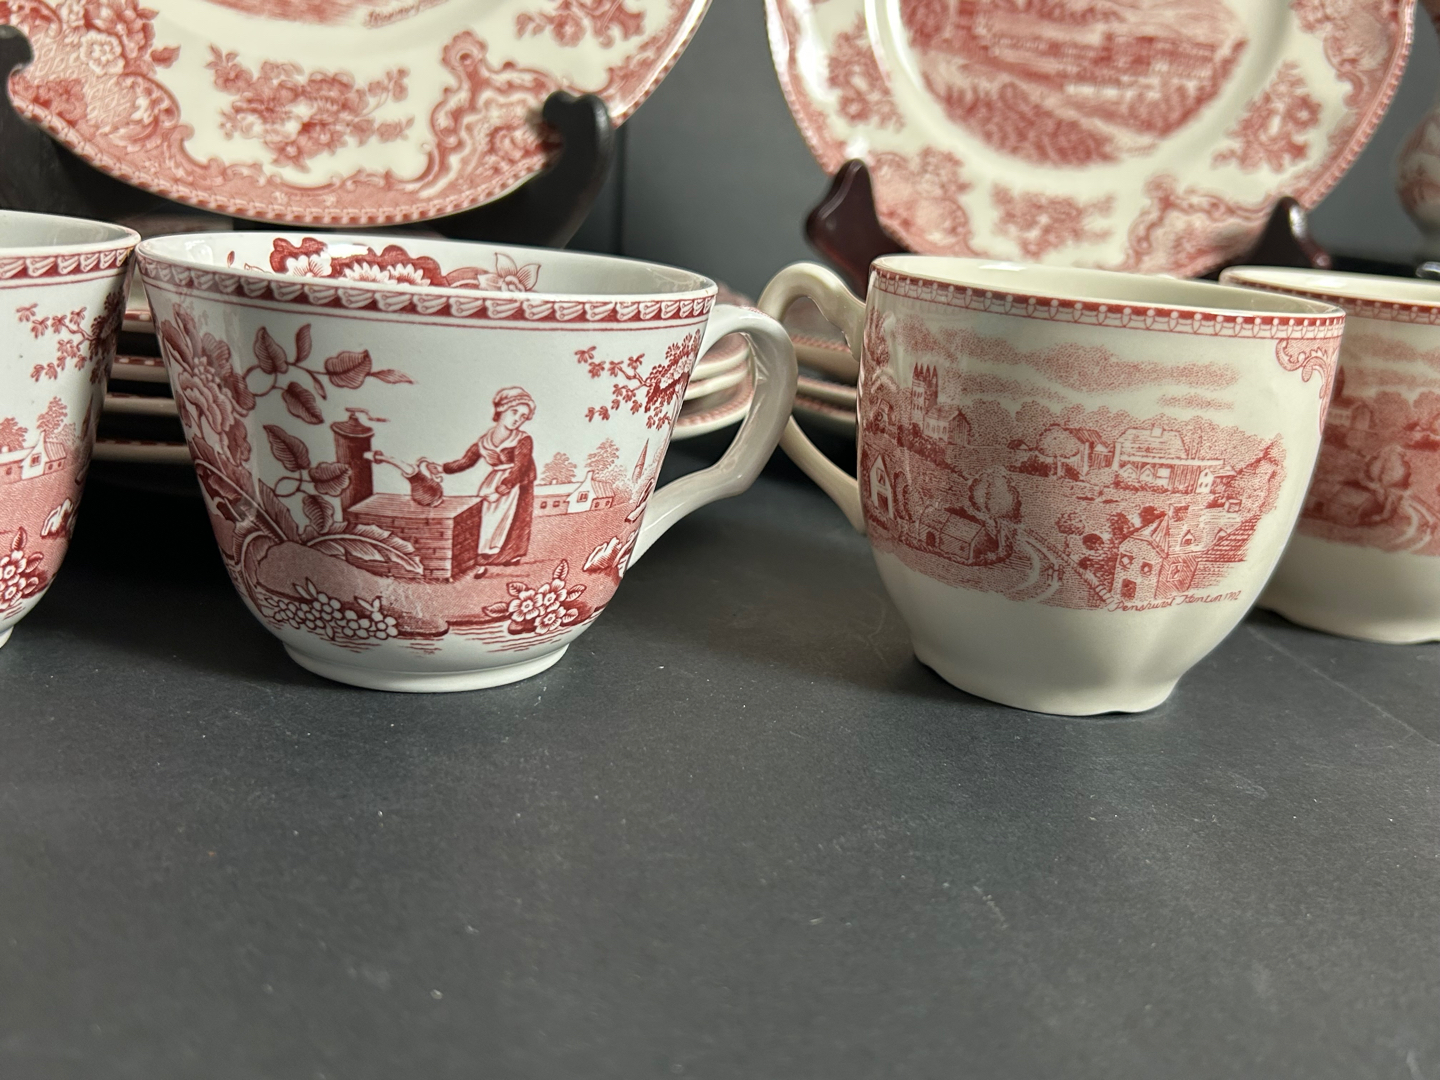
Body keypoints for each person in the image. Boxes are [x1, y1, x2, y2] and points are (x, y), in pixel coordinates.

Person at [437, 387, 537, 577]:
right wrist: (442, 468)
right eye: (514, 412)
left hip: (518, 482)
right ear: (501, 409)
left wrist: (502, 489)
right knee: (488, 516)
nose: (518, 419)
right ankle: (485, 552)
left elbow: (520, 467)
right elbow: (466, 461)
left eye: (523, 416)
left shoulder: (523, 439)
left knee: (514, 519)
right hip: (495, 480)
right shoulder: (485, 441)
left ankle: (508, 555)